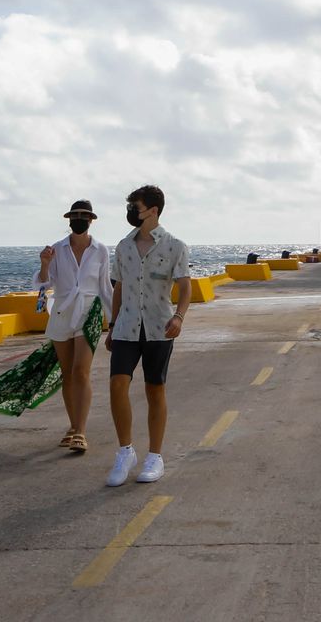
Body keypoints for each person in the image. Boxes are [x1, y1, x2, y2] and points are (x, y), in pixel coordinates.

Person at [105, 184, 191, 487]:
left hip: (158, 327)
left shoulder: (174, 246)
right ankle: (125, 451)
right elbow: (118, 286)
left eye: (136, 208)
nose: (131, 213)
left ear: (153, 211)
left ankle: (155, 456)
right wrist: (112, 324)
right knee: (117, 385)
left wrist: (179, 317)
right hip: (126, 326)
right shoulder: (123, 246)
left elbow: (184, 286)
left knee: (155, 390)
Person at [35, 201, 111, 454]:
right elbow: (44, 284)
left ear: (91, 220)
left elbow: (104, 287)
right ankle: (73, 425)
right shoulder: (57, 249)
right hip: (62, 312)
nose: (79, 219)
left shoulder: (100, 250)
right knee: (67, 373)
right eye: (75, 215)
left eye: (84, 216)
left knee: (81, 371)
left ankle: (80, 430)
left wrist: (113, 320)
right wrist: (45, 262)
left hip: (89, 311)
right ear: (69, 219)